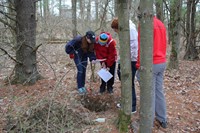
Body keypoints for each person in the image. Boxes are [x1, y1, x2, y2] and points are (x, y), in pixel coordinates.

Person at [136, 16, 168, 128]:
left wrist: (138, 64)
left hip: (152, 63)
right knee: (158, 91)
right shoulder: (161, 24)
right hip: (162, 61)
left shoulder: (145, 24)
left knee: (149, 92)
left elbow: (141, 46)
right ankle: (162, 119)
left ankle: (148, 122)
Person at [111, 18, 138, 113]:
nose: (116, 32)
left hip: (131, 60)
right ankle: (126, 102)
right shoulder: (126, 29)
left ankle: (132, 106)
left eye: (115, 30)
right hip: (125, 59)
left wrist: (127, 59)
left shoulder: (131, 30)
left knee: (129, 82)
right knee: (122, 78)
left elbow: (134, 46)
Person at [65, 31, 96, 95]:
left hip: (84, 56)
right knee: (80, 70)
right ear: (87, 38)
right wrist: (74, 52)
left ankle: (83, 86)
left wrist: (92, 59)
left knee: (84, 70)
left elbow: (91, 52)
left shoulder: (91, 43)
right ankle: (79, 87)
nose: (92, 41)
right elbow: (67, 48)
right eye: (90, 40)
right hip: (77, 56)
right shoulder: (78, 40)